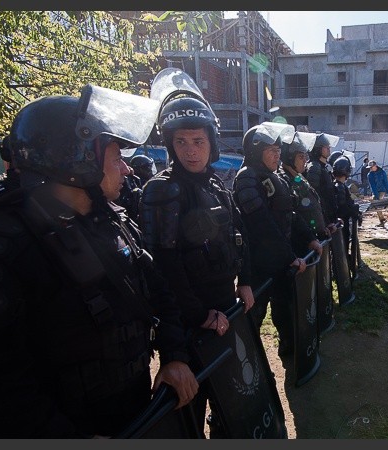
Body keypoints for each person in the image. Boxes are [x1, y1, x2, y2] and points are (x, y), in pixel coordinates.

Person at [0, 86, 199, 438]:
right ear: (78, 158)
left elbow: (158, 290)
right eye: (115, 157)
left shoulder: (113, 220)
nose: (126, 169)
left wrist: (174, 355)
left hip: (139, 412)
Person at [138, 85, 255, 437]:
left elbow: (239, 234)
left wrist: (245, 279)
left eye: (198, 142)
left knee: (230, 391)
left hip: (224, 306)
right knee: (191, 404)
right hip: (190, 321)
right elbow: (164, 268)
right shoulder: (162, 190)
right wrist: (199, 315)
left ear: (211, 143)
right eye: (182, 142)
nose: (191, 151)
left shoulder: (216, 185)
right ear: (170, 145)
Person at [233, 122, 321, 357]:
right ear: (255, 151)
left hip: (280, 263)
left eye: (278, 150)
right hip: (257, 267)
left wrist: (310, 239)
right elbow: (261, 224)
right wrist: (290, 256)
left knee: (286, 310)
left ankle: (290, 351)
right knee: (251, 322)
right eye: (271, 149)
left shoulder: (275, 178)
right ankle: (252, 371)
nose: (277, 154)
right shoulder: (246, 179)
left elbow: (290, 214)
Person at [279, 130, 332, 242]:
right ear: (289, 158)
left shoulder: (297, 178)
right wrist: (311, 237)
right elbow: (296, 216)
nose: (305, 161)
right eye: (301, 157)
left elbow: (313, 206)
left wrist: (323, 227)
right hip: (301, 243)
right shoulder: (284, 181)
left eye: (305, 156)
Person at [305, 133, 340, 230]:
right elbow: (314, 197)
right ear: (317, 149)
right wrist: (325, 222)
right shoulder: (314, 167)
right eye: (325, 146)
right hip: (323, 221)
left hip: (329, 218)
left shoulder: (322, 167)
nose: (329, 148)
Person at [332, 155, 361, 257]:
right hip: (341, 223)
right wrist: (353, 209)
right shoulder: (339, 187)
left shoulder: (340, 185)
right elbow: (341, 208)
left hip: (342, 222)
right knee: (342, 246)